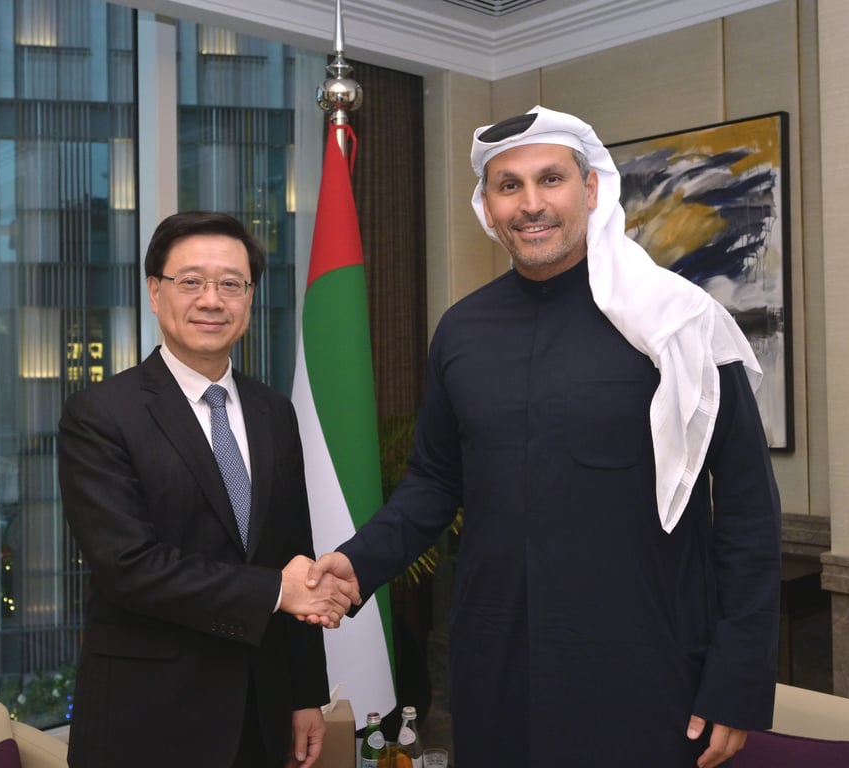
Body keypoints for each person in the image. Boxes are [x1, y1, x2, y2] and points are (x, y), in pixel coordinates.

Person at [306, 107, 782, 767]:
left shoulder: (681, 322)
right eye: (509, 186)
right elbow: (436, 480)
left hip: (644, 671)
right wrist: (359, 564)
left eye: (550, 180)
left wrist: (738, 681)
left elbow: (748, 513)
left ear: (589, 190)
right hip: (496, 669)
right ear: (488, 207)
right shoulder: (462, 330)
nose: (531, 204)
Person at [58, 211, 359, 768]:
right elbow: (128, 567)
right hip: (146, 718)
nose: (211, 300)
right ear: (155, 292)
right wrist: (274, 590)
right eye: (190, 281)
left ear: (249, 298)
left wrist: (305, 694)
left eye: (230, 284)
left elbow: (293, 551)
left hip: (261, 711)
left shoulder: (274, 412)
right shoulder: (101, 415)